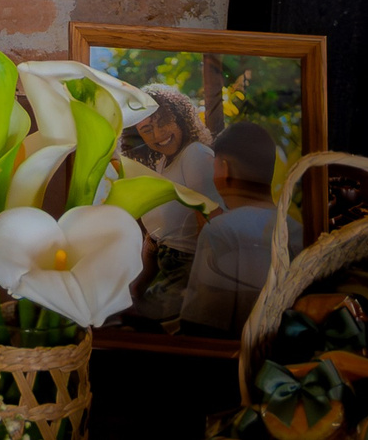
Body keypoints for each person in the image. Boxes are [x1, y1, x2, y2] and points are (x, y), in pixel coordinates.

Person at [179, 120, 297, 334]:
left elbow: (203, 323)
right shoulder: (296, 228)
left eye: (214, 165)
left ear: (225, 168)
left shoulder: (221, 230)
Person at [125, 84, 222, 322]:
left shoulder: (195, 154)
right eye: (147, 129)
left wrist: (201, 288)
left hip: (189, 271)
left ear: (179, 117)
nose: (158, 134)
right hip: (167, 269)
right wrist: (137, 286)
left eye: (163, 122)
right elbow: (156, 237)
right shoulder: (163, 163)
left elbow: (212, 221)